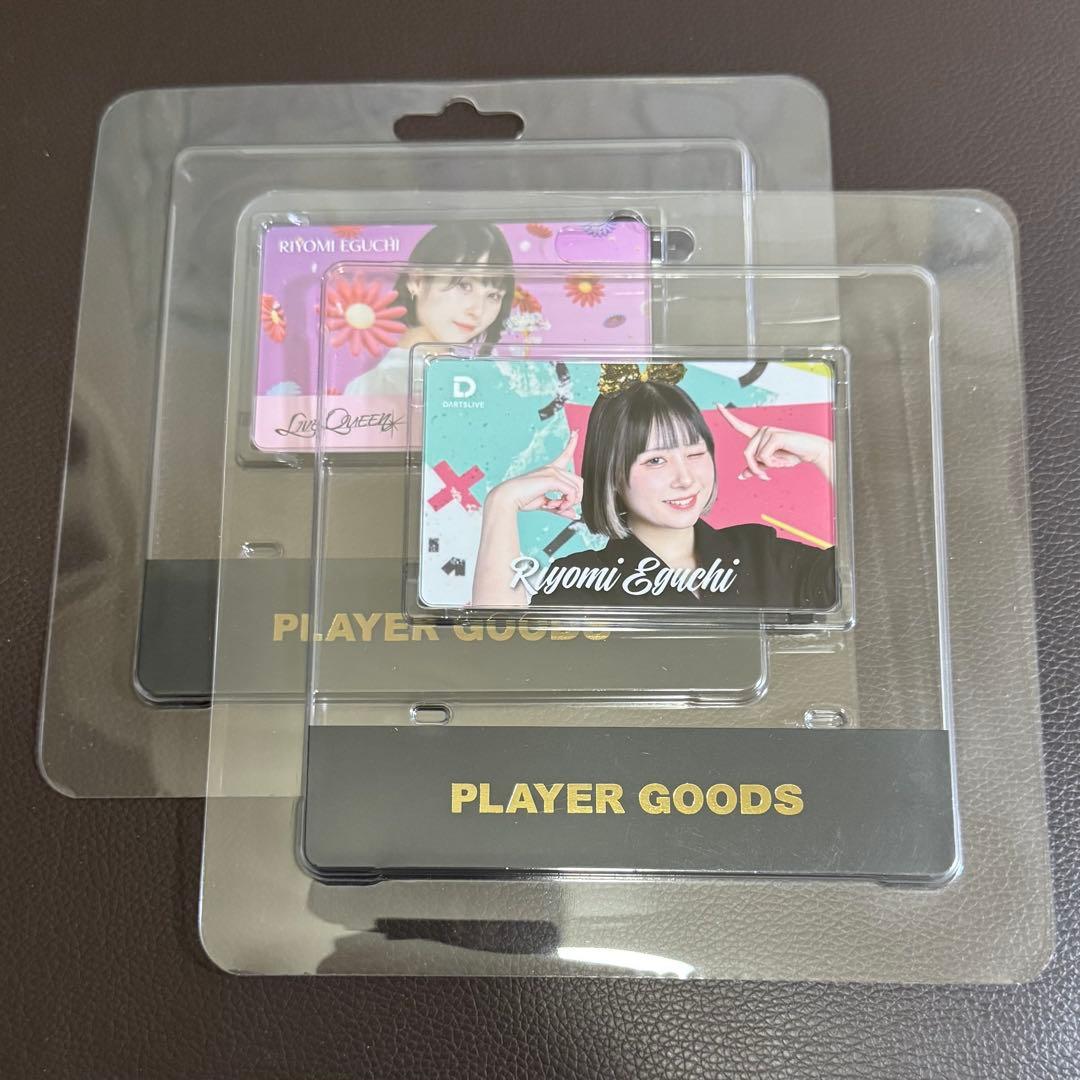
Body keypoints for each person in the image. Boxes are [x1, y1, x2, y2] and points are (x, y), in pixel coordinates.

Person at [470, 363, 837, 610]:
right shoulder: (581, 580)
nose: (686, 479)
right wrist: (502, 503)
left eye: (695, 454)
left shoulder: (760, 553)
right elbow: (503, 650)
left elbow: (865, 586)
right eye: (656, 461)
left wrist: (826, 454)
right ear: (613, 474)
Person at [344, 222, 515, 396]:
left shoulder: (474, 382)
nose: (478, 311)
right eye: (464, 285)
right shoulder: (374, 386)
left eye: (494, 296)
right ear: (417, 281)